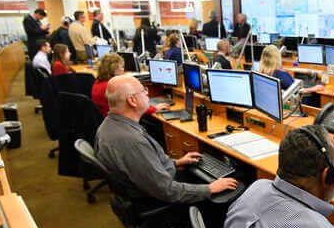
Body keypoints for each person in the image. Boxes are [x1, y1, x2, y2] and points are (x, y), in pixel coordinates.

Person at [94, 75, 238, 205]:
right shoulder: (132, 141)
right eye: (142, 90)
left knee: (200, 171)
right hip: (156, 197)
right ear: (132, 100)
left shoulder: (108, 126)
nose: (147, 93)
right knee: (230, 190)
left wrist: (176, 162)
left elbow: (145, 166)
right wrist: (209, 188)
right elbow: (167, 191)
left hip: (147, 185)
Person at [92, 53, 171, 117]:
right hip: (121, 123)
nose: (123, 70)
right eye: (121, 67)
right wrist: (155, 108)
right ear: (114, 69)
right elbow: (134, 107)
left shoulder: (98, 83)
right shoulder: (113, 86)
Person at [259, 44, 324, 102]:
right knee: (318, 94)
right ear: (277, 57)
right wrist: (315, 88)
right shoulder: (281, 75)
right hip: (297, 100)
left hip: (281, 100)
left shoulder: (263, 72)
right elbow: (297, 92)